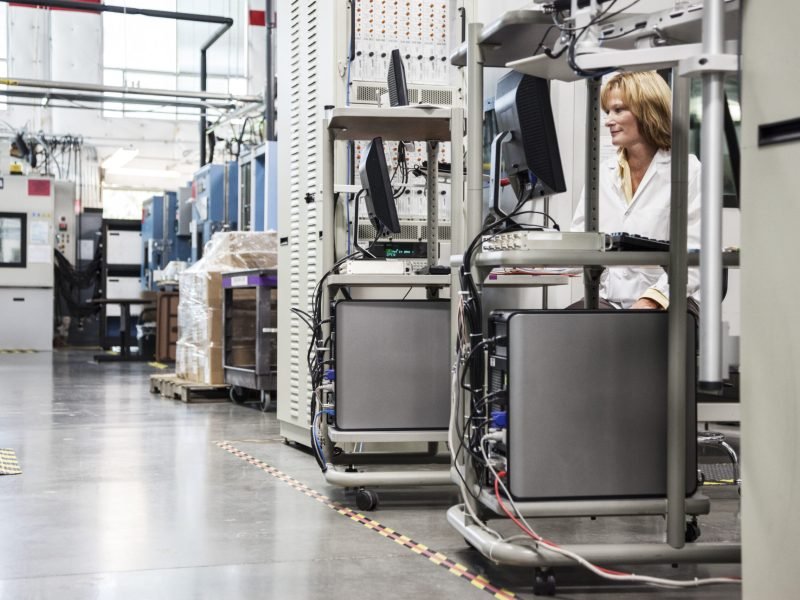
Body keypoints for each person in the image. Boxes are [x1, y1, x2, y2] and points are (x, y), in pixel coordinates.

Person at [570, 71, 701, 313]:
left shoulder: (688, 170)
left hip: (671, 299)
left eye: (618, 110)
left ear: (647, 110)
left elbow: (696, 255)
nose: (609, 120)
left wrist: (652, 299)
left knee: (628, 334)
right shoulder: (602, 173)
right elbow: (577, 240)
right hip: (610, 299)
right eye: (608, 111)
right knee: (561, 331)